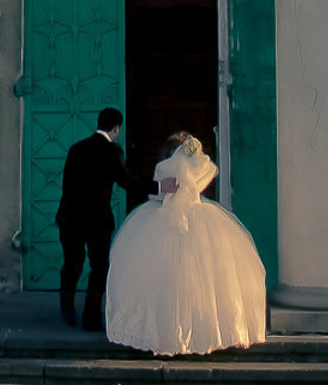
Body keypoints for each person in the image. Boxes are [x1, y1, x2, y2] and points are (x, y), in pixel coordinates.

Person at [102, 131, 268, 355]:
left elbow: (159, 196)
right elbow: (207, 176)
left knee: (163, 278)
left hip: (163, 219)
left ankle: (166, 334)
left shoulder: (163, 168)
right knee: (205, 279)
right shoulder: (204, 168)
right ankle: (200, 333)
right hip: (199, 218)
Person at [56, 108, 130, 331]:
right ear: (116, 128)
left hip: (70, 216)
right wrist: (158, 187)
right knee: (99, 267)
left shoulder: (76, 148)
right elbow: (126, 181)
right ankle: (91, 317)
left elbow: (67, 184)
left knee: (72, 262)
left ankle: (67, 302)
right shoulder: (112, 151)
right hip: (97, 220)